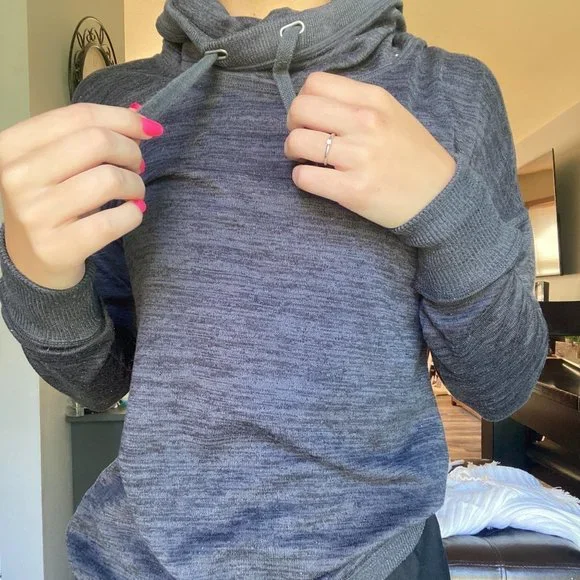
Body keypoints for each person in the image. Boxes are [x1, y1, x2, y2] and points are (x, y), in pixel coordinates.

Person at [0, 0, 549, 578]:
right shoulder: (115, 100)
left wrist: (451, 216)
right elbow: (101, 380)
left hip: (381, 561)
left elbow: (500, 386)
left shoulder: (454, 91)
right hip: (140, 561)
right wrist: (35, 270)